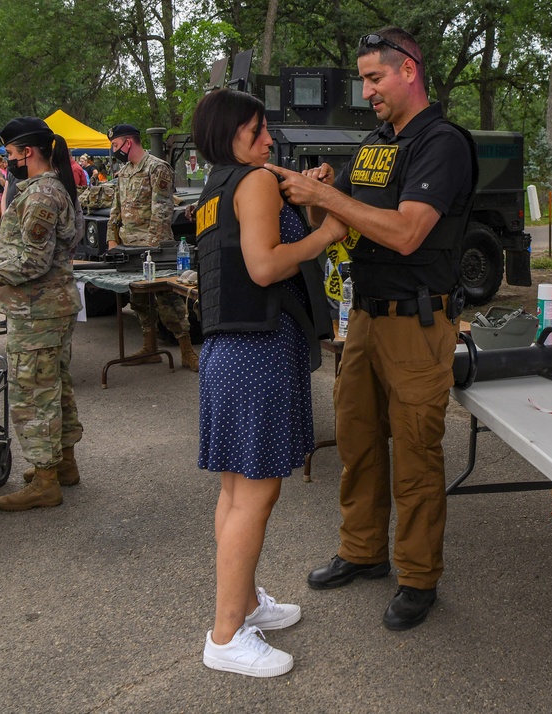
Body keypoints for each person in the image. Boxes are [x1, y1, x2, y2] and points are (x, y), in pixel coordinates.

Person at [268, 27, 478, 631]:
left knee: (415, 452)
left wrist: (325, 197)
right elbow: (343, 222)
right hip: (364, 317)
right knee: (358, 442)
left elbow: (408, 231)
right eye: (363, 79)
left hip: (418, 320)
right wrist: (322, 195)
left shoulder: (441, 143)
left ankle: (417, 576)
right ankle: (362, 552)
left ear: (408, 70)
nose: (367, 92)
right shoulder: (376, 142)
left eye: (375, 78)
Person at [192, 89, 343, 677]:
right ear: (231, 135)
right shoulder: (251, 182)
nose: (268, 140)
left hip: (229, 349)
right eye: (257, 132)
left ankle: (246, 603)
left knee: (236, 491)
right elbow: (264, 265)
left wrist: (302, 189)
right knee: (255, 493)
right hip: (257, 350)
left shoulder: (218, 184)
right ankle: (226, 633)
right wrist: (328, 232)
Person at [0, 117, 84, 511]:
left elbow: (33, 260)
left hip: (38, 310)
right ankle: (63, 465)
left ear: (28, 153)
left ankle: (46, 480)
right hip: (47, 308)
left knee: (33, 393)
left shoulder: (40, 195)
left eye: (11, 154)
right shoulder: (46, 190)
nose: (9, 161)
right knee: (55, 385)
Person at [106, 123, 198, 371]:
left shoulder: (157, 168)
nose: (114, 150)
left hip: (154, 248)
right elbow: (116, 209)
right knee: (138, 300)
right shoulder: (124, 172)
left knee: (168, 300)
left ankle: (187, 351)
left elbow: (162, 211)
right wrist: (111, 240)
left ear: (129, 142)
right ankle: (150, 347)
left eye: (116, 145)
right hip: (129, 248)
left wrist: (152, 249)